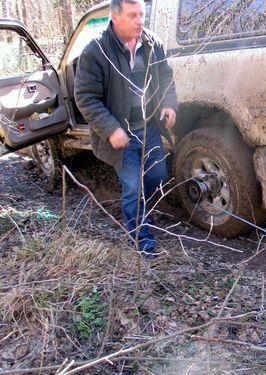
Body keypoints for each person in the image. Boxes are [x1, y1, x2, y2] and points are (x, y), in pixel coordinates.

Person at [74, 0, 177, 259]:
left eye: (141, 14)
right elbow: (86, 97)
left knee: (157, 176)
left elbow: (165, 76)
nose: (139, 21)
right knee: (132, 185)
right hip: (120, 132)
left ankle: (140, 210)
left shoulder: (152, 43)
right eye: (132, 15)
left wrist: (168, 103)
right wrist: (110, 129)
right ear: (114, 17)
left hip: (148, 125)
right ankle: (142, 238)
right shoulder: (96, 51)